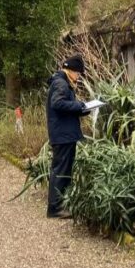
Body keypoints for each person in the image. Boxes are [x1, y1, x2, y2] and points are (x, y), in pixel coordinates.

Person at [45, 54, 89, 219]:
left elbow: (65, 107)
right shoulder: (61, 83)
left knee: (62, 170)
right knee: (61, 171)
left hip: (63, 134)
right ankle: (55, 209)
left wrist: (83, 108)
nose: (78, 77)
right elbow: (58, 103)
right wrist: (79, 105)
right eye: (78, 73)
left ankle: (60, 205)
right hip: (63, 135)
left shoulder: (60, 82)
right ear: (70, 70)